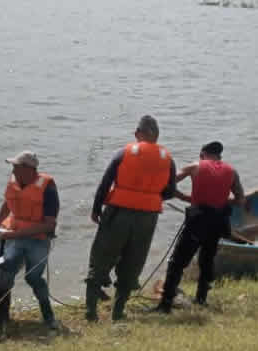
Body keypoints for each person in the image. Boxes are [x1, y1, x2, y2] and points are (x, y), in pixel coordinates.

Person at [84, 115, 176, 322]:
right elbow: (170, 191)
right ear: (157, 135)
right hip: (147, 217)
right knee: (133, 262)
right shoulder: (167, 158)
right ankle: (117, 313)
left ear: (138, 133)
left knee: (100, 258)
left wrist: (96, 208)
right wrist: (150, 197)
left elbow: (105, 182)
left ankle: (91, 312)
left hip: (118, 212)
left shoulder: (124, 153)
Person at [151, 141, 247, 313]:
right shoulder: (232, 172)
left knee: (177, 262)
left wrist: (182, 197)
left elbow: (168, 184)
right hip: (218, 223)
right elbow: (240, 200)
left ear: (202, 154)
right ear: (219, 156)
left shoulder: (195, 166)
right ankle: (201, 299)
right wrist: (221, 201)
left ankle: (165, 305)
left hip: (198, 221)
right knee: (207, 259)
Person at [0, 151, 60, 329]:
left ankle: (49, 318)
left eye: (16, 167)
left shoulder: (47, 187)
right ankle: (2, 318)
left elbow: (49, 226)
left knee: (33, 278)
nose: (13, 169)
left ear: (29, 169)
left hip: (38, 239)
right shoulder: (14, 181)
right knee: (6, 273)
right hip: (15, 236)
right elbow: (8, 203)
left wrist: (14, 235)